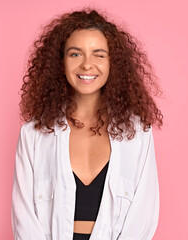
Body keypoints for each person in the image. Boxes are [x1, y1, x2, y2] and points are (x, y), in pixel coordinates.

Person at [11, 7, 163, 240]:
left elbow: (143, 214)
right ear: (60, 61)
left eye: (99, 54)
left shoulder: (137, 132)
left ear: (114, 63)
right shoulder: (33, 134)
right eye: (75, 54)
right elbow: (24, 219)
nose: (86, 65)